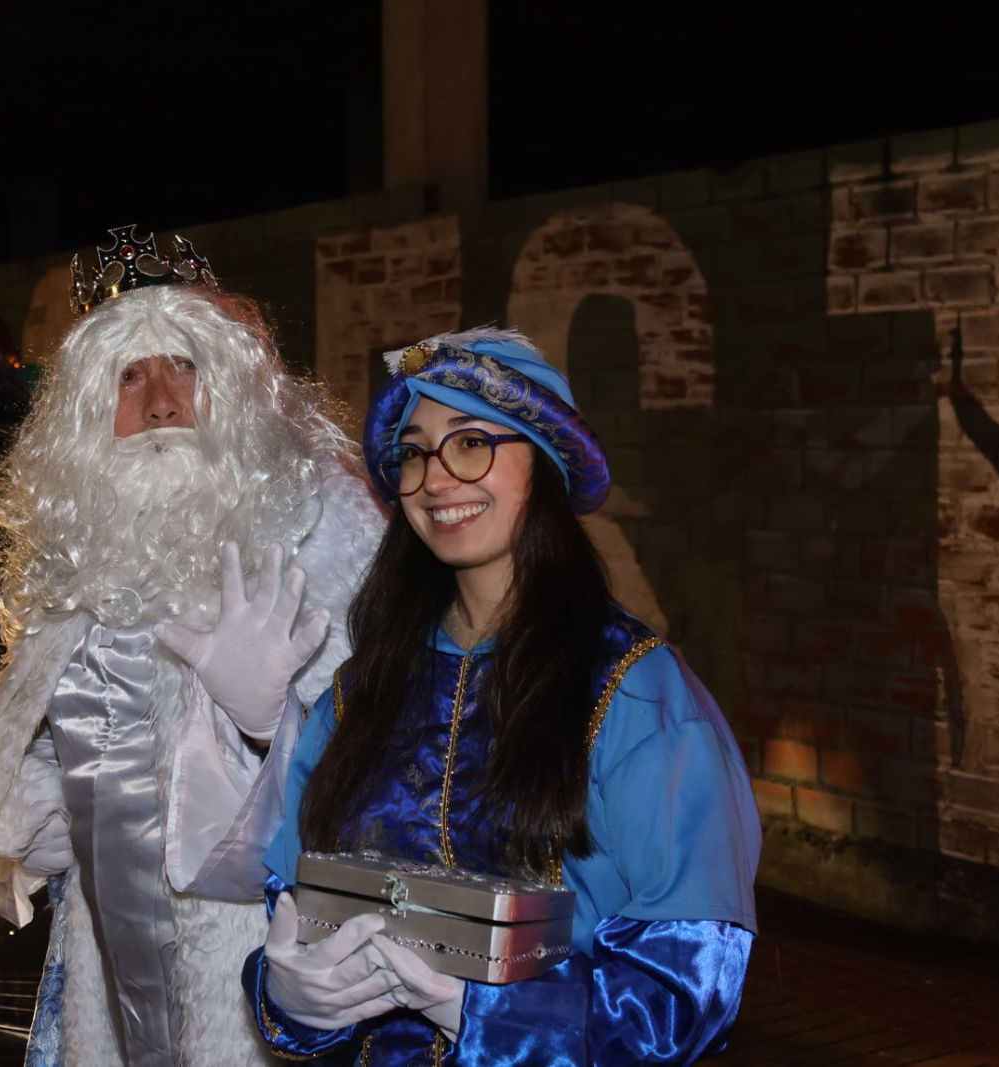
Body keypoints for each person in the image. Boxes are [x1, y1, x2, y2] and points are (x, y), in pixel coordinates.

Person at [199, 327, 761, 1064]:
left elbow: (690, 979)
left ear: (545, 461)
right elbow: (300, 905)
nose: (436, 479)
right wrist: (289, 998)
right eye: (414, 452)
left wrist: (490, 1014)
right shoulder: (365, 687)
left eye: (470, 443)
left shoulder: (633, 689)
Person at [0, 226, 383, 1066]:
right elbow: (41, 731)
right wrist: (19, 807)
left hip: (275, 951)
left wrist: (272, 725)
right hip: (108, 950)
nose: (158, 402)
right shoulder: (71, 546)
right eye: (128, 375)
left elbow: (398, 748)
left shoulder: (323, 521)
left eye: (183, 364)